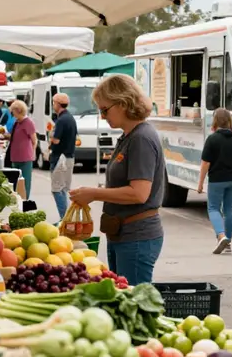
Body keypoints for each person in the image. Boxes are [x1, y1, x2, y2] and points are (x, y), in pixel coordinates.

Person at [70, 75, 164, 286]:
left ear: (123, 103)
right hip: (122, 234)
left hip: (137, 236)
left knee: (133, 302)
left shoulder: (141, 138)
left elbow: (139, 193)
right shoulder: (129, 136)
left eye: (105, 110)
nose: (102, 116)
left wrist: (94, 193)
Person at [197, 107, 232, 255]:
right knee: (229, 210)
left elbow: (205, 164)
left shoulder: (212, 139)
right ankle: (228, 242)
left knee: (213, 208)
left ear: (215, 121)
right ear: (230, 121)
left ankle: (221, 236)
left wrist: (200, 184)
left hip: (217, 180)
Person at [49, 92, 77, 219]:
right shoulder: (70, 118)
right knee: (63, 188)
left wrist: (51, 137)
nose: (53, 105)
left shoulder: (61, 120)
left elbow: (56, 140)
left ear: (58, 104)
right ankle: (66, 218)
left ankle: (64, 219)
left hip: (60, 157)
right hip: (69, 157)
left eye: (54, 102)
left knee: (57, 189)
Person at [5, 99, 37, 198]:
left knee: (25, 182)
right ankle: (17, 200)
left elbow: (34, 140)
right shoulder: (17, 122)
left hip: (25, 157)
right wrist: (5, 136)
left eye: (13, 111)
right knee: (15, 181)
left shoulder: (28, 122)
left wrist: (32, 153)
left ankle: (24, 201)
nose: (12, 113)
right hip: (15, 157)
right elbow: (15, 136)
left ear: (19, 110)